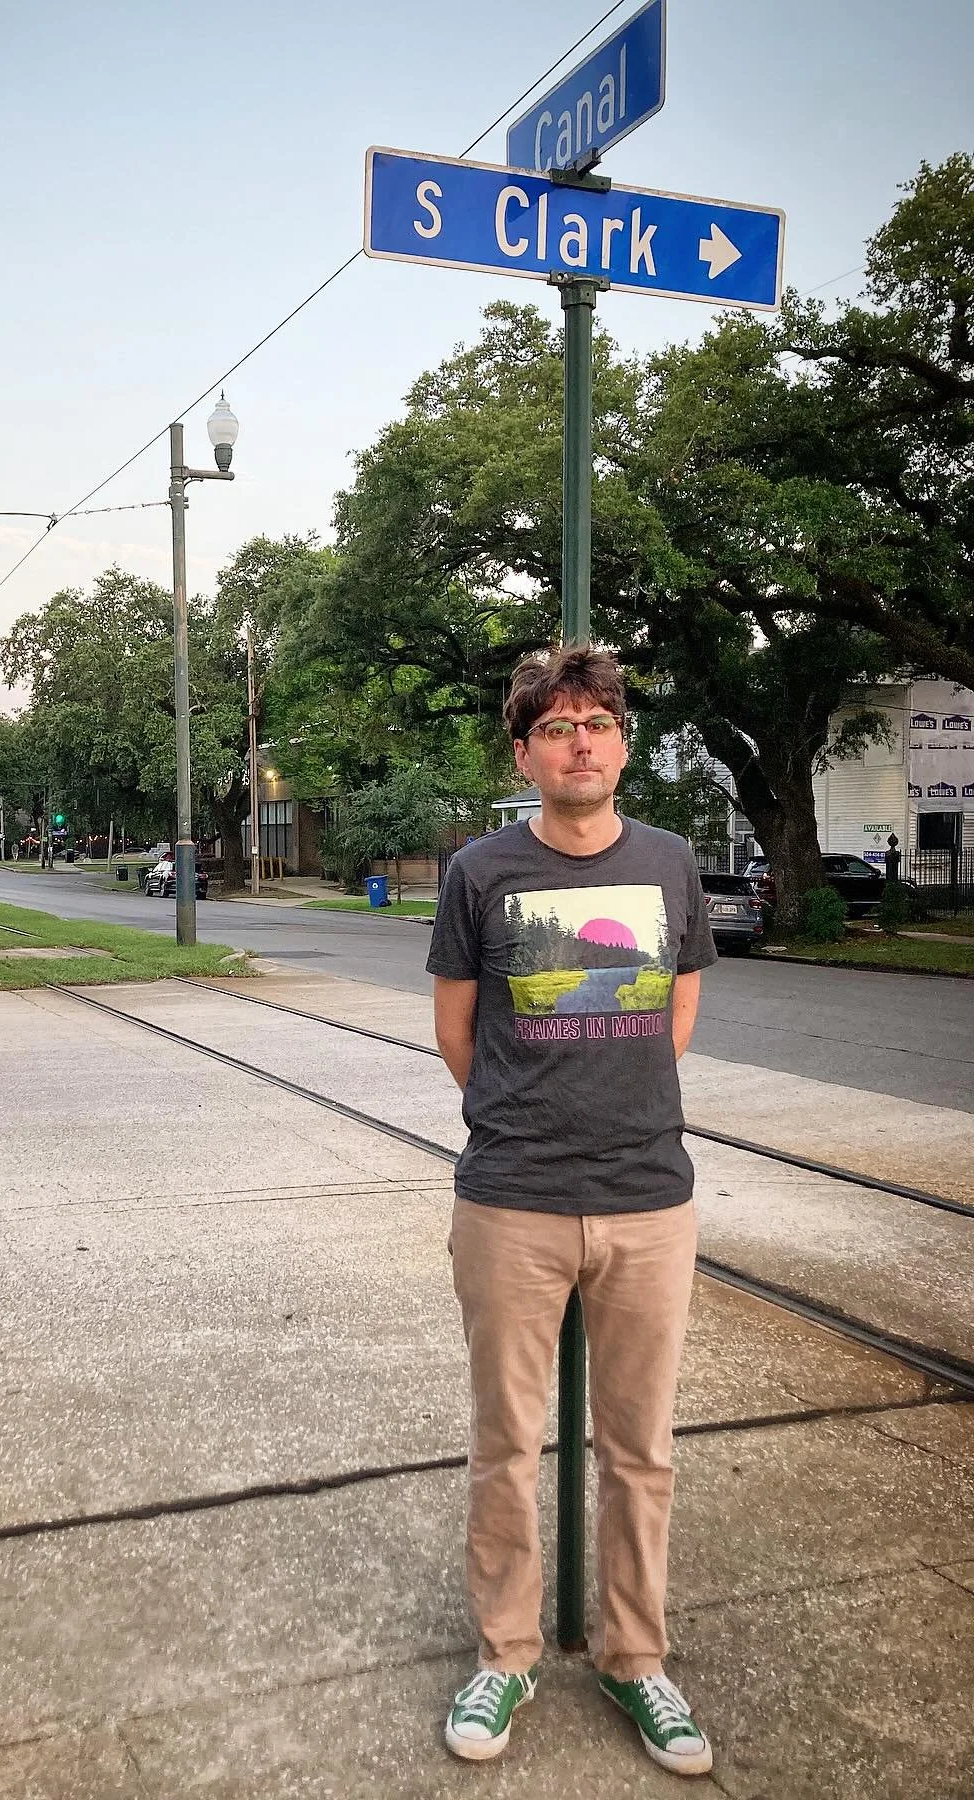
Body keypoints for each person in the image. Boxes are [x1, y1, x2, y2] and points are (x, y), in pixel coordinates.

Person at [426, 645, 718, 1778]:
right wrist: (530, 1116)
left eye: (597, 722)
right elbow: (458, 1033)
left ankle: (635, 1660)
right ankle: (505, 1651)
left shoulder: (674, 865)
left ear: (623, 743)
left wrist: (613, 1107)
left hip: (649, 1200)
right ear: (526, 751)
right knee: (507, 1443)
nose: (580, 742)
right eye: (558, 727)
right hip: (511, 1200)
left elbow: (675, 1016)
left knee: (639, 1449)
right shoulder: (480, 872)